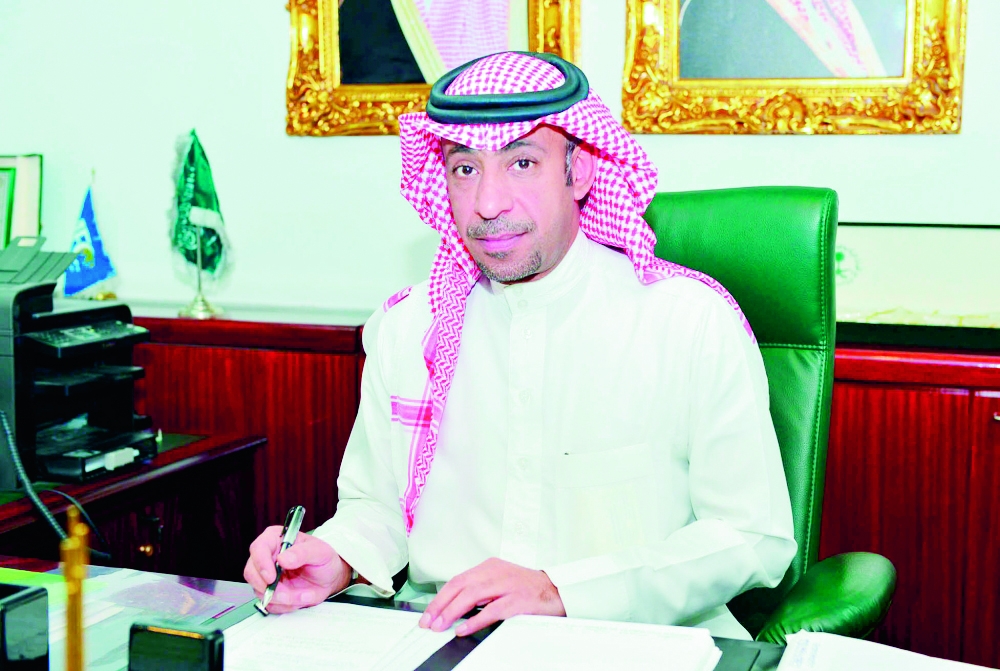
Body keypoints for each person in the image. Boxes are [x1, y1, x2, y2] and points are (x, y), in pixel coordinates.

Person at [244, 51, 796, 640]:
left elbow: (751, 537)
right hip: (444, 637)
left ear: (580, 172)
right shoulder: (408, 326)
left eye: (523, 162)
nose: (488, 203)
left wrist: (563, 591)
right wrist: (337, 555)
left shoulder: (687, 321)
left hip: (636, 642)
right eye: (465, 168)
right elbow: (379, 506)